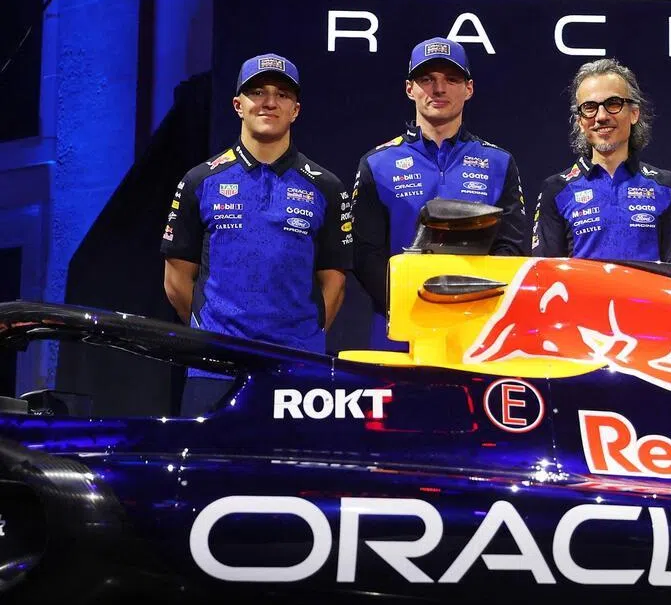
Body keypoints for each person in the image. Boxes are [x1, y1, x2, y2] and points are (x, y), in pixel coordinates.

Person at [162, 53, 352, 409]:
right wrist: (216, 337)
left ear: (295, 109)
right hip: (214, 369)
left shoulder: (326, 186)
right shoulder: (200, 181)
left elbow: (335, 283)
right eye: (258, 92)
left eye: (282, 94)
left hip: (299, 370)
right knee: (211, 465)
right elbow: (175, 281)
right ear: (238, 105)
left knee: (293, 466)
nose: (269, 102)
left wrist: (300, 340)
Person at [352, 37, 526, 346]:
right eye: (427, 79)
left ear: (468, 89)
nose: (439, 88)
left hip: (477, 330)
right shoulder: (377, 163)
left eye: (451, 79)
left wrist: (470, 302)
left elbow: (510, 249)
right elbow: (366, 256)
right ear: (410, 88)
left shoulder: (499, 162)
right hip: (399, 331)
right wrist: (412, 300)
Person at [531, 57, 671, 262]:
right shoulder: (555, 190)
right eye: (589, 107)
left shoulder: (669, 187)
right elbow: (546, 276)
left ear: (634, 113)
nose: (601, 116)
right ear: (580, 121)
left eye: (613, 104)